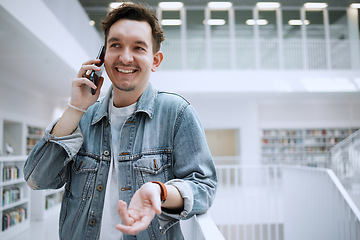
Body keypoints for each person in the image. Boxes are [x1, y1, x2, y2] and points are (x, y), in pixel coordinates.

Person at [23, 2, 217, 240]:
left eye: (138, 48)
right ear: (103, 56)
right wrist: (75, 110)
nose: (126, 58)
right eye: (116, 45)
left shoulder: (176, 113)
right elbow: (37, 179)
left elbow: (203, 186)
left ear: (155, 60)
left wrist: (160, 191)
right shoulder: (82, 118)